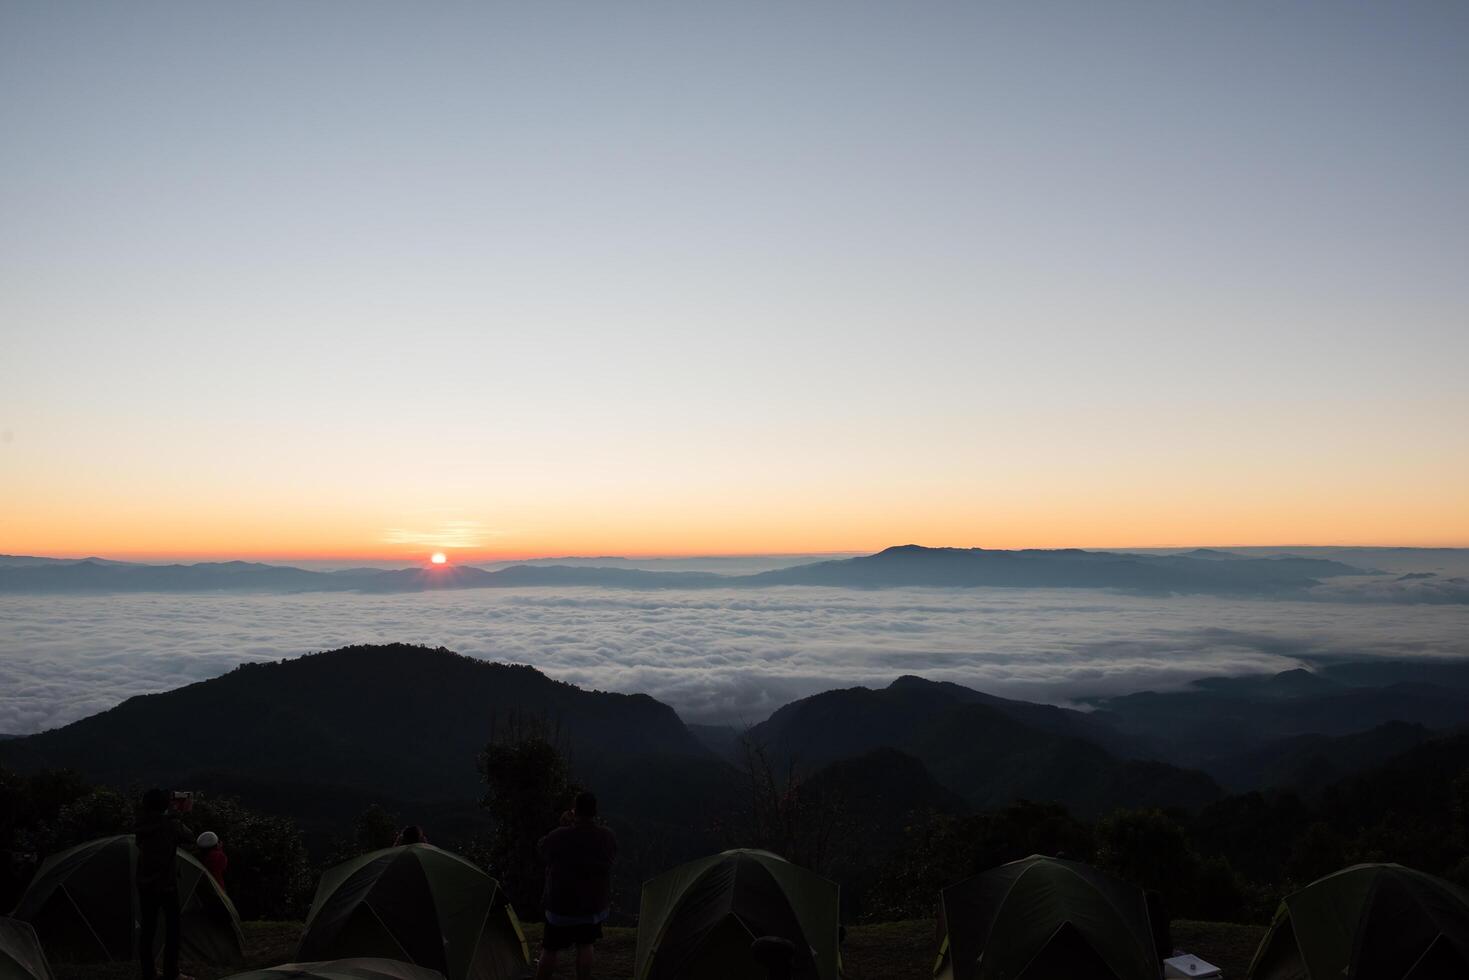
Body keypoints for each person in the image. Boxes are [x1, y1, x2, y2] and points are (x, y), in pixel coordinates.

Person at [535, 791, 617, 980]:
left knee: (550, 949)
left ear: (574, 810)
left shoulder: (559, 836)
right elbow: (610, 859)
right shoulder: (606, 837)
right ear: (595, 812)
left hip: (560, 907)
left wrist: (564, 826)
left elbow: (542, 849)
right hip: (592, 907)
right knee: (586, 945)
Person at [135, 789, 195, 980]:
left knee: (147, 930)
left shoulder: (141, 823)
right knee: (173, 929)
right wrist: (179, 812)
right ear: (164, 805)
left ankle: (148, 973)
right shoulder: (170, 825)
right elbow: (189, 837)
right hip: (167, 885)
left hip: (145, 884)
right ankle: (171, 972)